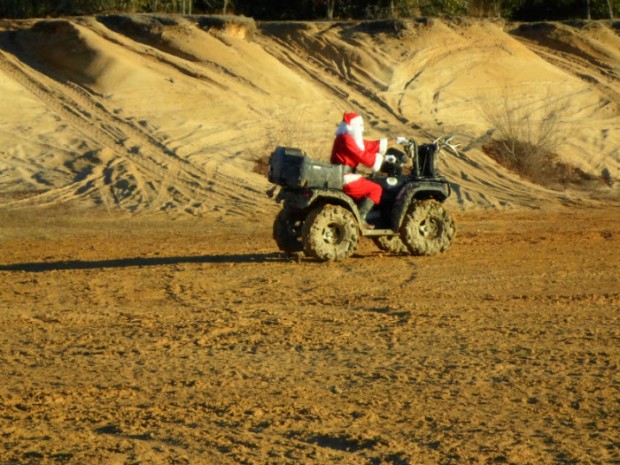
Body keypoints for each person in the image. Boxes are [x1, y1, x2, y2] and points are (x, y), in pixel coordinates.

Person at [330, 112, 405, 227]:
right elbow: (361, 154)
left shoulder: (346, 138)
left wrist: (396, 140)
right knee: (375, 189)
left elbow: (371, 145)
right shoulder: (346, 139)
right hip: (345, 177)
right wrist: (384, 158)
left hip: (342, 174)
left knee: (370, 182)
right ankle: (361, 217)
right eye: (360, 126)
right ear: (352, 127)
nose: (362, 129)